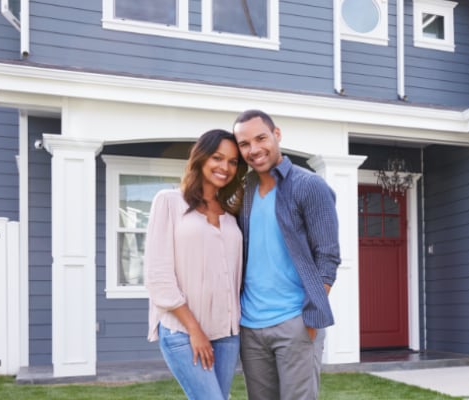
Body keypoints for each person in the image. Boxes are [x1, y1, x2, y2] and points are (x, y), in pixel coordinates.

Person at [232, 109, 341, 400]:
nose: (254, 149)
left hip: (295, 321)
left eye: (261, 138)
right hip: (251, 325)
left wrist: (310, 315)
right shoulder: (244, 191)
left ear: (276, 134)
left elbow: (328, 257)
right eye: (244, 144)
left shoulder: (309, 186)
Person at [144, 129, 247, 400]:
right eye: (217, 157)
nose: (225, 167)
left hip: (227, 334)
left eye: (233, 161)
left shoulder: (232, 214)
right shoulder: (168, 202)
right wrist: (195, 330)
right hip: (183, 331)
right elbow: (158, 276)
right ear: (201, 158)